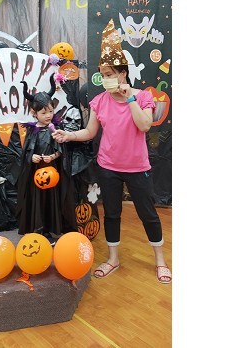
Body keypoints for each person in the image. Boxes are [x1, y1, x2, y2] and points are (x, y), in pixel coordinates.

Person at [52, 18, 172, 284]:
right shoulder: (99, 101)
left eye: (110, 74)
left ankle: (160, 261)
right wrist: (69, 135)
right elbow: (90, 132)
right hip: (108, 167)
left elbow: (144, 125)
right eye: (103, 75)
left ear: (123, 73)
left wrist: (130, 98)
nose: (106, 79)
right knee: (112, 214)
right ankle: (113, 259)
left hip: (137, 168)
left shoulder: (143, 96)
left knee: (148, 214)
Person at [15, 77, 77, 245]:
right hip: (36, 175)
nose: (48, 115)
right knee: (38, 201)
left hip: (53, 173)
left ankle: (53, 228)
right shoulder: (32, 131)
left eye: (50, 111)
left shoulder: (57, 128)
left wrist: (53, 156)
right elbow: (26, 153)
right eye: (43, 113)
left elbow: (62, 150)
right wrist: (31, 157)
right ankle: (39, 229)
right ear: (34, 113)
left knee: (52, 200)